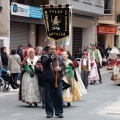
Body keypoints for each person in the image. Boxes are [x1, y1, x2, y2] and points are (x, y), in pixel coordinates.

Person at [41, 45, 66, 118]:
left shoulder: (60, 58)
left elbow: (64, 67)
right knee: (48, 96)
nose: (53, 50)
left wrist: (60, 68)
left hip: (58, 80)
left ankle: (59, 112)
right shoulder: (44, 57)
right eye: (52, 49)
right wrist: (52, 57)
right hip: (48, 80)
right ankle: (49, 112)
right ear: (49, 50)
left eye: (55, 49)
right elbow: (45, 63)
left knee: (59, 95)